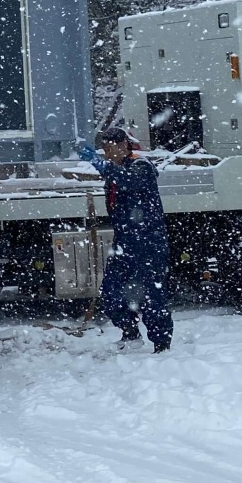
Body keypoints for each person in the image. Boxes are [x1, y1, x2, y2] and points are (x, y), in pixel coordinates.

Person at [77, 123, 174, 352]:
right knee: (112, 291)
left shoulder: (141, 166)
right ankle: (130, 333)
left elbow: (128, 181)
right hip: (125, 242)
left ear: (123, 146)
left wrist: (101, 165)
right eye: (104, 151)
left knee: (151, 294)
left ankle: (161, 344)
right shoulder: (115, 168)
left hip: (148, 241)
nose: (107, 155)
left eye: (110, 150)